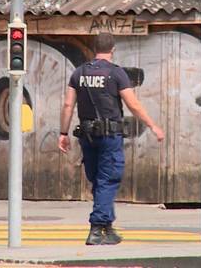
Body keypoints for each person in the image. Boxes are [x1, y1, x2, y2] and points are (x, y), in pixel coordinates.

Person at [58, 33, 165, 245]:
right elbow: (133, 104)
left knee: (98, 179)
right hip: (109, 135)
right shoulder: (117, 73)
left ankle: (107, 227)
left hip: (87, 135)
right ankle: (96, 229)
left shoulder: (79, 73)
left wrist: (63, 133)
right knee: (108, 179)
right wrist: (153, 126)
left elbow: (68, 105)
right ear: (113, 49)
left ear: (93, 48)